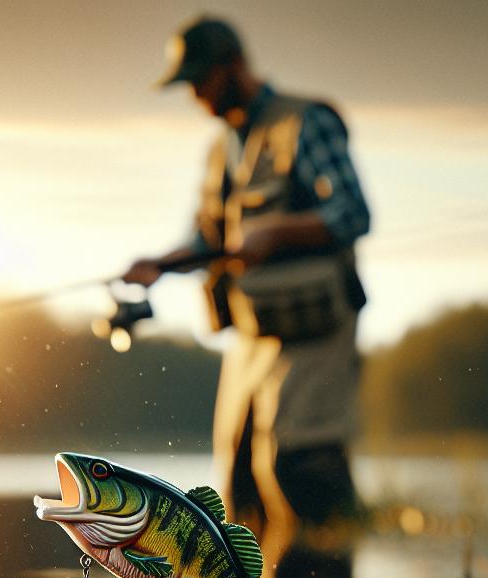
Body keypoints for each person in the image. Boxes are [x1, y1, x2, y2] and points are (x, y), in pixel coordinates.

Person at [122, 15, 370, 551]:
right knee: (236, 484)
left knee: (300, 467)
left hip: (317, 332)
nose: (195, 94)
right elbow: (207, 238)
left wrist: (275, 233)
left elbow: (353, 213)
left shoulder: (305, 121)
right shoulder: (220, 149)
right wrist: (159, 264)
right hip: (251, 335)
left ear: (233, 65)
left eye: (201, 79)